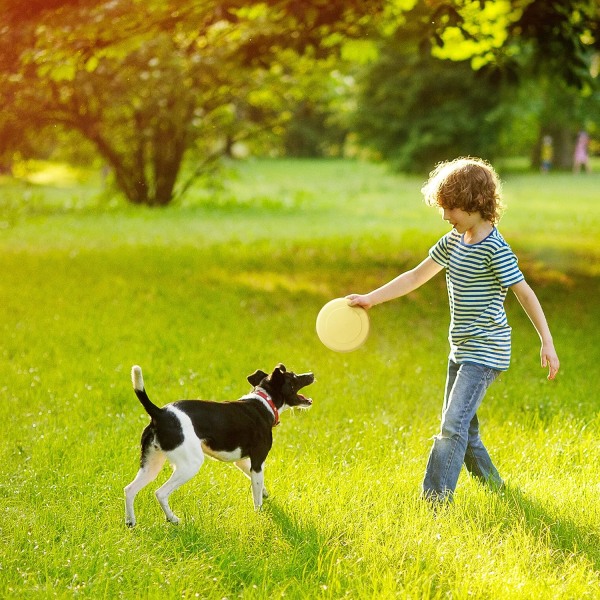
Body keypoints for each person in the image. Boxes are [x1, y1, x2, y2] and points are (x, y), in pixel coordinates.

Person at [347, 157, 560, 505]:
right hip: (459, 350)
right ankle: (497, 489)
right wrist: (371, 298)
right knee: (465, 427)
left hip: (486, 352)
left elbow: (525, 292)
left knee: (451, 426)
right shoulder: (454, 241)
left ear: (475, 202)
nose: (446, 216)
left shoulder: (495, 249)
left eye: (451, 208)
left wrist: (547, 342)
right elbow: (416, 276)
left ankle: (435, 503)